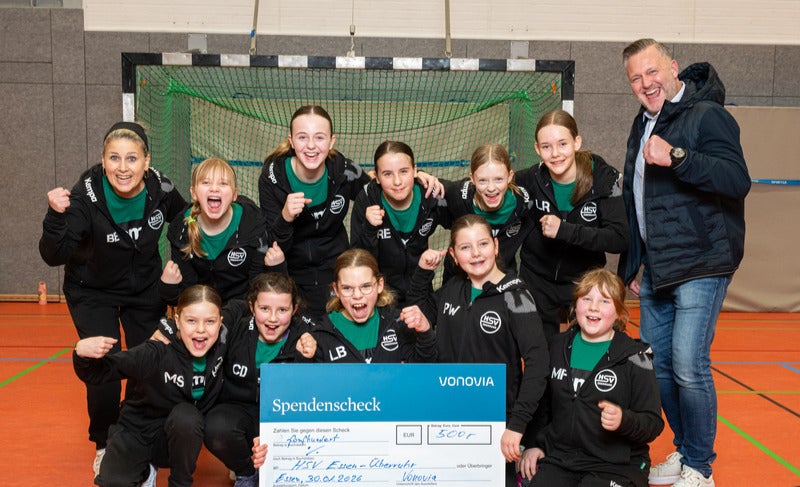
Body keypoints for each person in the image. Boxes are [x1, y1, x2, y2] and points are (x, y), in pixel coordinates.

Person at [619, 39, 750, 487]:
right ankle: (686, 449)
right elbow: (637, 199)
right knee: (656, 367)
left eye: (652, 71)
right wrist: (632, 265)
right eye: (635, 78)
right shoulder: (642, 124)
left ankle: (701, 468)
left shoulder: (706, 114)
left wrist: (677, 156)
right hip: (658, 267)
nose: (645, 83)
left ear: (673, 67)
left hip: (701, 261)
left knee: (689, 365)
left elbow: (737, 179)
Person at [39, 121, 187, 476]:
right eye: (114, 158)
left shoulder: (161, 188)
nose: (123, 167)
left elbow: (185, 219)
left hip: (144, 288)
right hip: (92, 289)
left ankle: (138, 435)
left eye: (132, 158)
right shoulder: (85, 195)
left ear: (146, 162)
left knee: (149, 359)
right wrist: (55, 216)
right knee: (104, 360)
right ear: (103, 161)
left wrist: (178, 263)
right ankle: (105, 443)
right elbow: (53, 255)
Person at [258, 106, 442, 317]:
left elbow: (380, 183)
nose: (311, 146)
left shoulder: (343, 169)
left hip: (335, 272)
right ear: (291, 141)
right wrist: (285, 217)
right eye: (302, 137)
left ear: (331, 141)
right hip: (292, 273)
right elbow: (271, 248)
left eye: (319, 137)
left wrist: (418, 178)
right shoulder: (272, 178)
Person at [409, 214, 549, 486]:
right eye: (465, 247)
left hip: (495, 423)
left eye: (483, 244)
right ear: (453, 255)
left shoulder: (516, 295)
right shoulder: (452, 289)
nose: (475, 253)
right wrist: (423, 272)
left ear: (495, 246)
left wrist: (517, 425)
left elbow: (538, 364)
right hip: (449, 416)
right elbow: (418, 312)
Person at [519, 268, 664, 487]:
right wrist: (534, 444)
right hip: (563, 459)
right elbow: (543, 404)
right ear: (575, 306)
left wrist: (624, 420)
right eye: (586, 299)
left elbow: (653, 423)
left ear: (619, 311)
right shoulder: (557, 346)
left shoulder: (637, 357)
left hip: (617, 465)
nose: (593, 307)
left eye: (604, 301)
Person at [73, 285, 226, 487]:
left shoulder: (223, 341)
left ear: (220, 322)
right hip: (138, 430)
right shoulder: (156, 351)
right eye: (191, 321)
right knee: (113, 482)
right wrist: (81, 353)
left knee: (187, 417)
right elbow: (100, 372)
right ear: (177, 320)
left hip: (175, 434)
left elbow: (248, 306)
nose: (200, 329)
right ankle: (144, 470)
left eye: (210, 321)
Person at [515, 110, 629, 342]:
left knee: (582, 351)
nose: (555, 154)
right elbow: (487, 183)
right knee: (540, 352)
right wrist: (435, 183)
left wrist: (565, 230)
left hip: (582, 281)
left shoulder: (604, 180)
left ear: (577, 142)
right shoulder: (529, 179)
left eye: (562, 144)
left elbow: (620, 238)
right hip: (537, 278)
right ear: (537, 149)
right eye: (546, 147)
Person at [202, 272, 317, 487]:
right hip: (240, 410)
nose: (272, 318)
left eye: (282, 310)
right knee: (216, 427)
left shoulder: (306, 336)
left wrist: (305, 358)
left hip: (283, 415)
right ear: (252, 307)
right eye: (264, 309)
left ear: (294, 310)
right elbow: (200, 325)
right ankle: (246, 473)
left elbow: (313, 390)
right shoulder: (237, 328)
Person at [160, 157, 275, 305]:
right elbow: (186, 294)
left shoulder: (253, 223)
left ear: (234, 195)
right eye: (206, 182)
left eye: (223, 183)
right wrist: (167, 287)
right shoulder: (181, 231)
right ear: (194, 193)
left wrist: (232, 314)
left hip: (242, 308)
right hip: (202, 307)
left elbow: (257, 285)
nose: (214, 188)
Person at [350, 140, 449, 306]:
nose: (397, 181)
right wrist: (369, 229)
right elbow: (357, 260)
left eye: (404, 171)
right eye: (387, 174)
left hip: (421, 292)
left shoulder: (431, 194)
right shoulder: (367, 200)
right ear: (377, 177)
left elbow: (464, 217)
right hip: (381, 298)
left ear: (415, 170)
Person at [310, 248, 436, 363]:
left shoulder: (397, 322)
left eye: (366, 286)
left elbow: (424, 370)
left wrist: (425, 332)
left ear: (380, 285)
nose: (357, 295)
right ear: (336, 290)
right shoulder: (321, 333)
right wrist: (303, 356)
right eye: (347, 288)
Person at [439, 144, 535, 283]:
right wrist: (420, 174)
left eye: (498, 179)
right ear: (472, 179)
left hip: (502, 280)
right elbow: (427, 185)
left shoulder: (525, 205)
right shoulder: (457, 197)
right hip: (459, 281)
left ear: (510, 177)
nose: (491, 188)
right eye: (482, 180)